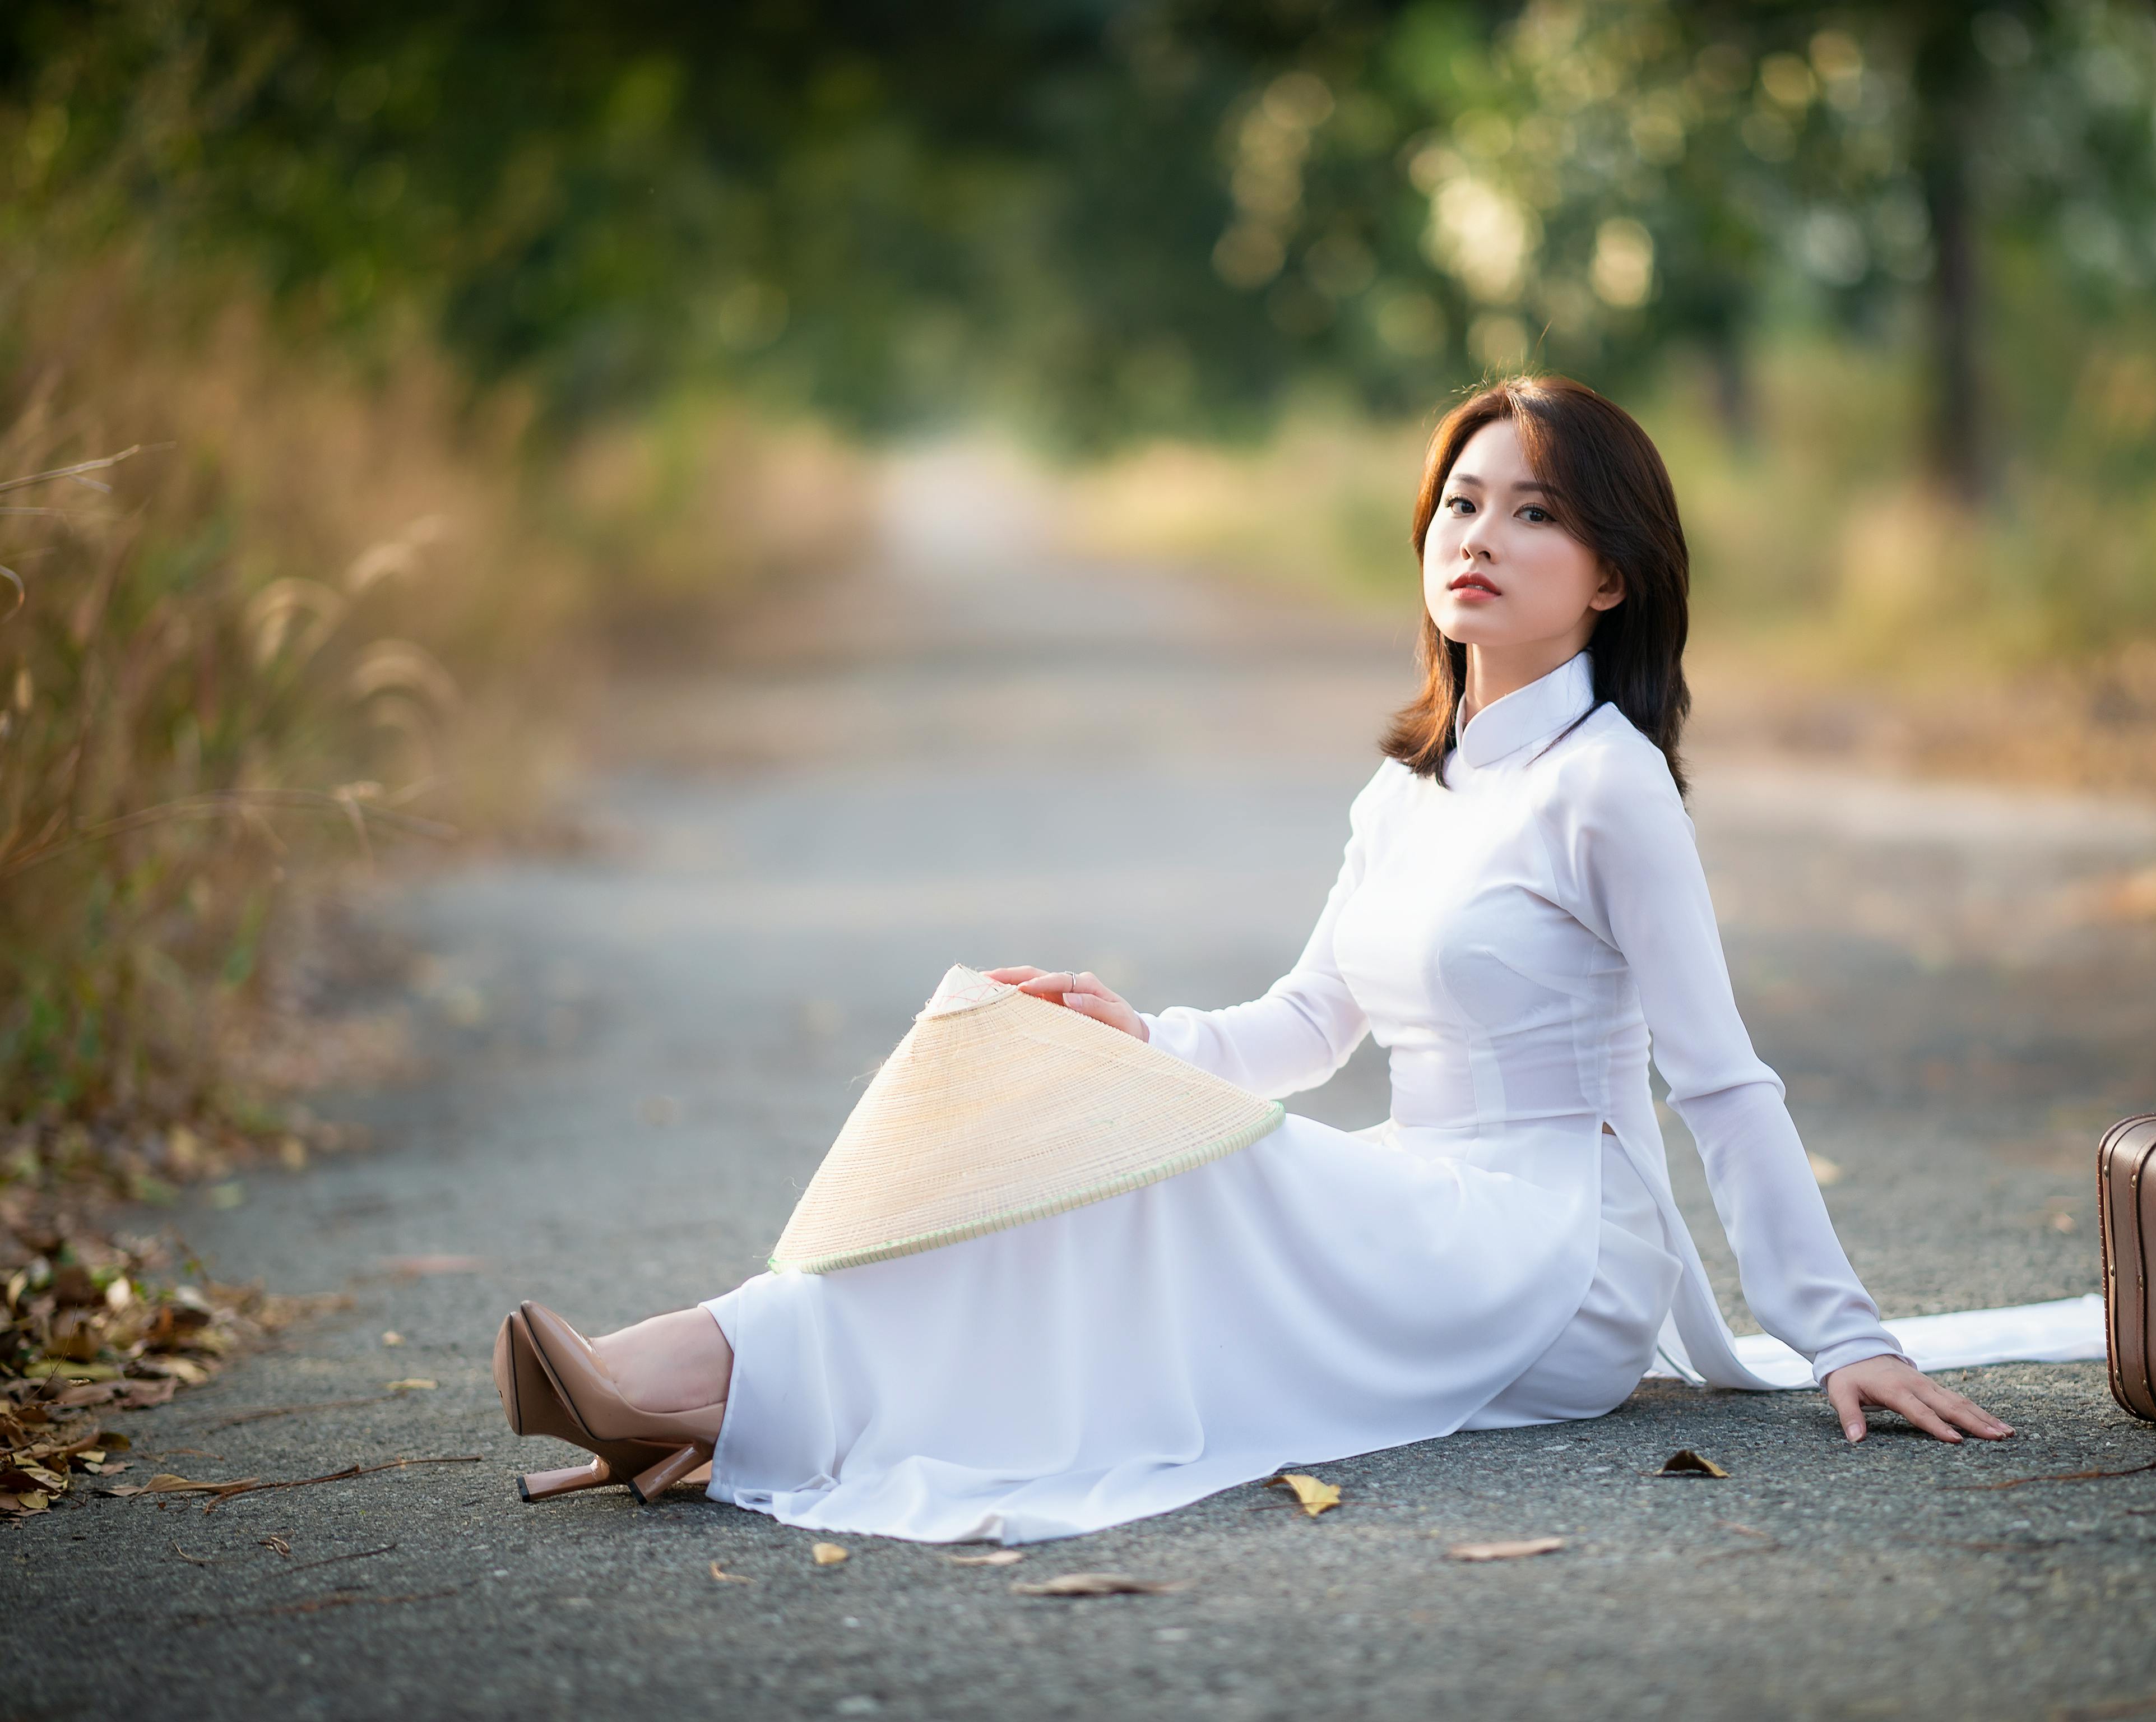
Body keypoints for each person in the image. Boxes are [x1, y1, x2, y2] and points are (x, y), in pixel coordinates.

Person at [491, 376, 2011, 1542]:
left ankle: (690, 1384)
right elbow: (1307, 1024)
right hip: (1420, 1212)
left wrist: (1844, 1338)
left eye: (1536, 514)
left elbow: (1718, 1078)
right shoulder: (1413, 782)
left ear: (1612, 575)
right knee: (1032, 1072)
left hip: (1552, 1259)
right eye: (1461, 502)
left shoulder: (1604, 782)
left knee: (1190, 1181)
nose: (1479, 538)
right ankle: (722, 1380)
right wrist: (1129, 1040)